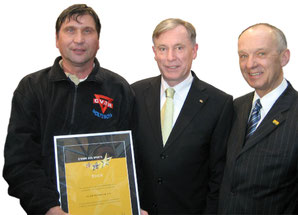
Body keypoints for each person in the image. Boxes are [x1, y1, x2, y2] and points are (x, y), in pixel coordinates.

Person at [3, 4, 134, 215]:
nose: (79, 39)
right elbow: (19, 161)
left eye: (87, 31)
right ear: (57, 39)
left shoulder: (119, 89)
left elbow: (132, 159)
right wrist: (49, 207)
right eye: (70, 30)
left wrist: (134, 204)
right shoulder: (31, 87)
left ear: (98, 41)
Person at [132, 18, 234, 214]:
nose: (170, 57)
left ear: (194, 51)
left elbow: (218, 176)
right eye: (163, 48)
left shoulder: (219, 103)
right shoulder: (134, 93)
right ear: (154, 53)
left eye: (179, 48)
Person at [218, 23, 298, 214]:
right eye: (243, 55)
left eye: (261, 53)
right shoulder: (234, 107)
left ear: (284, 57)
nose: (250, 64)